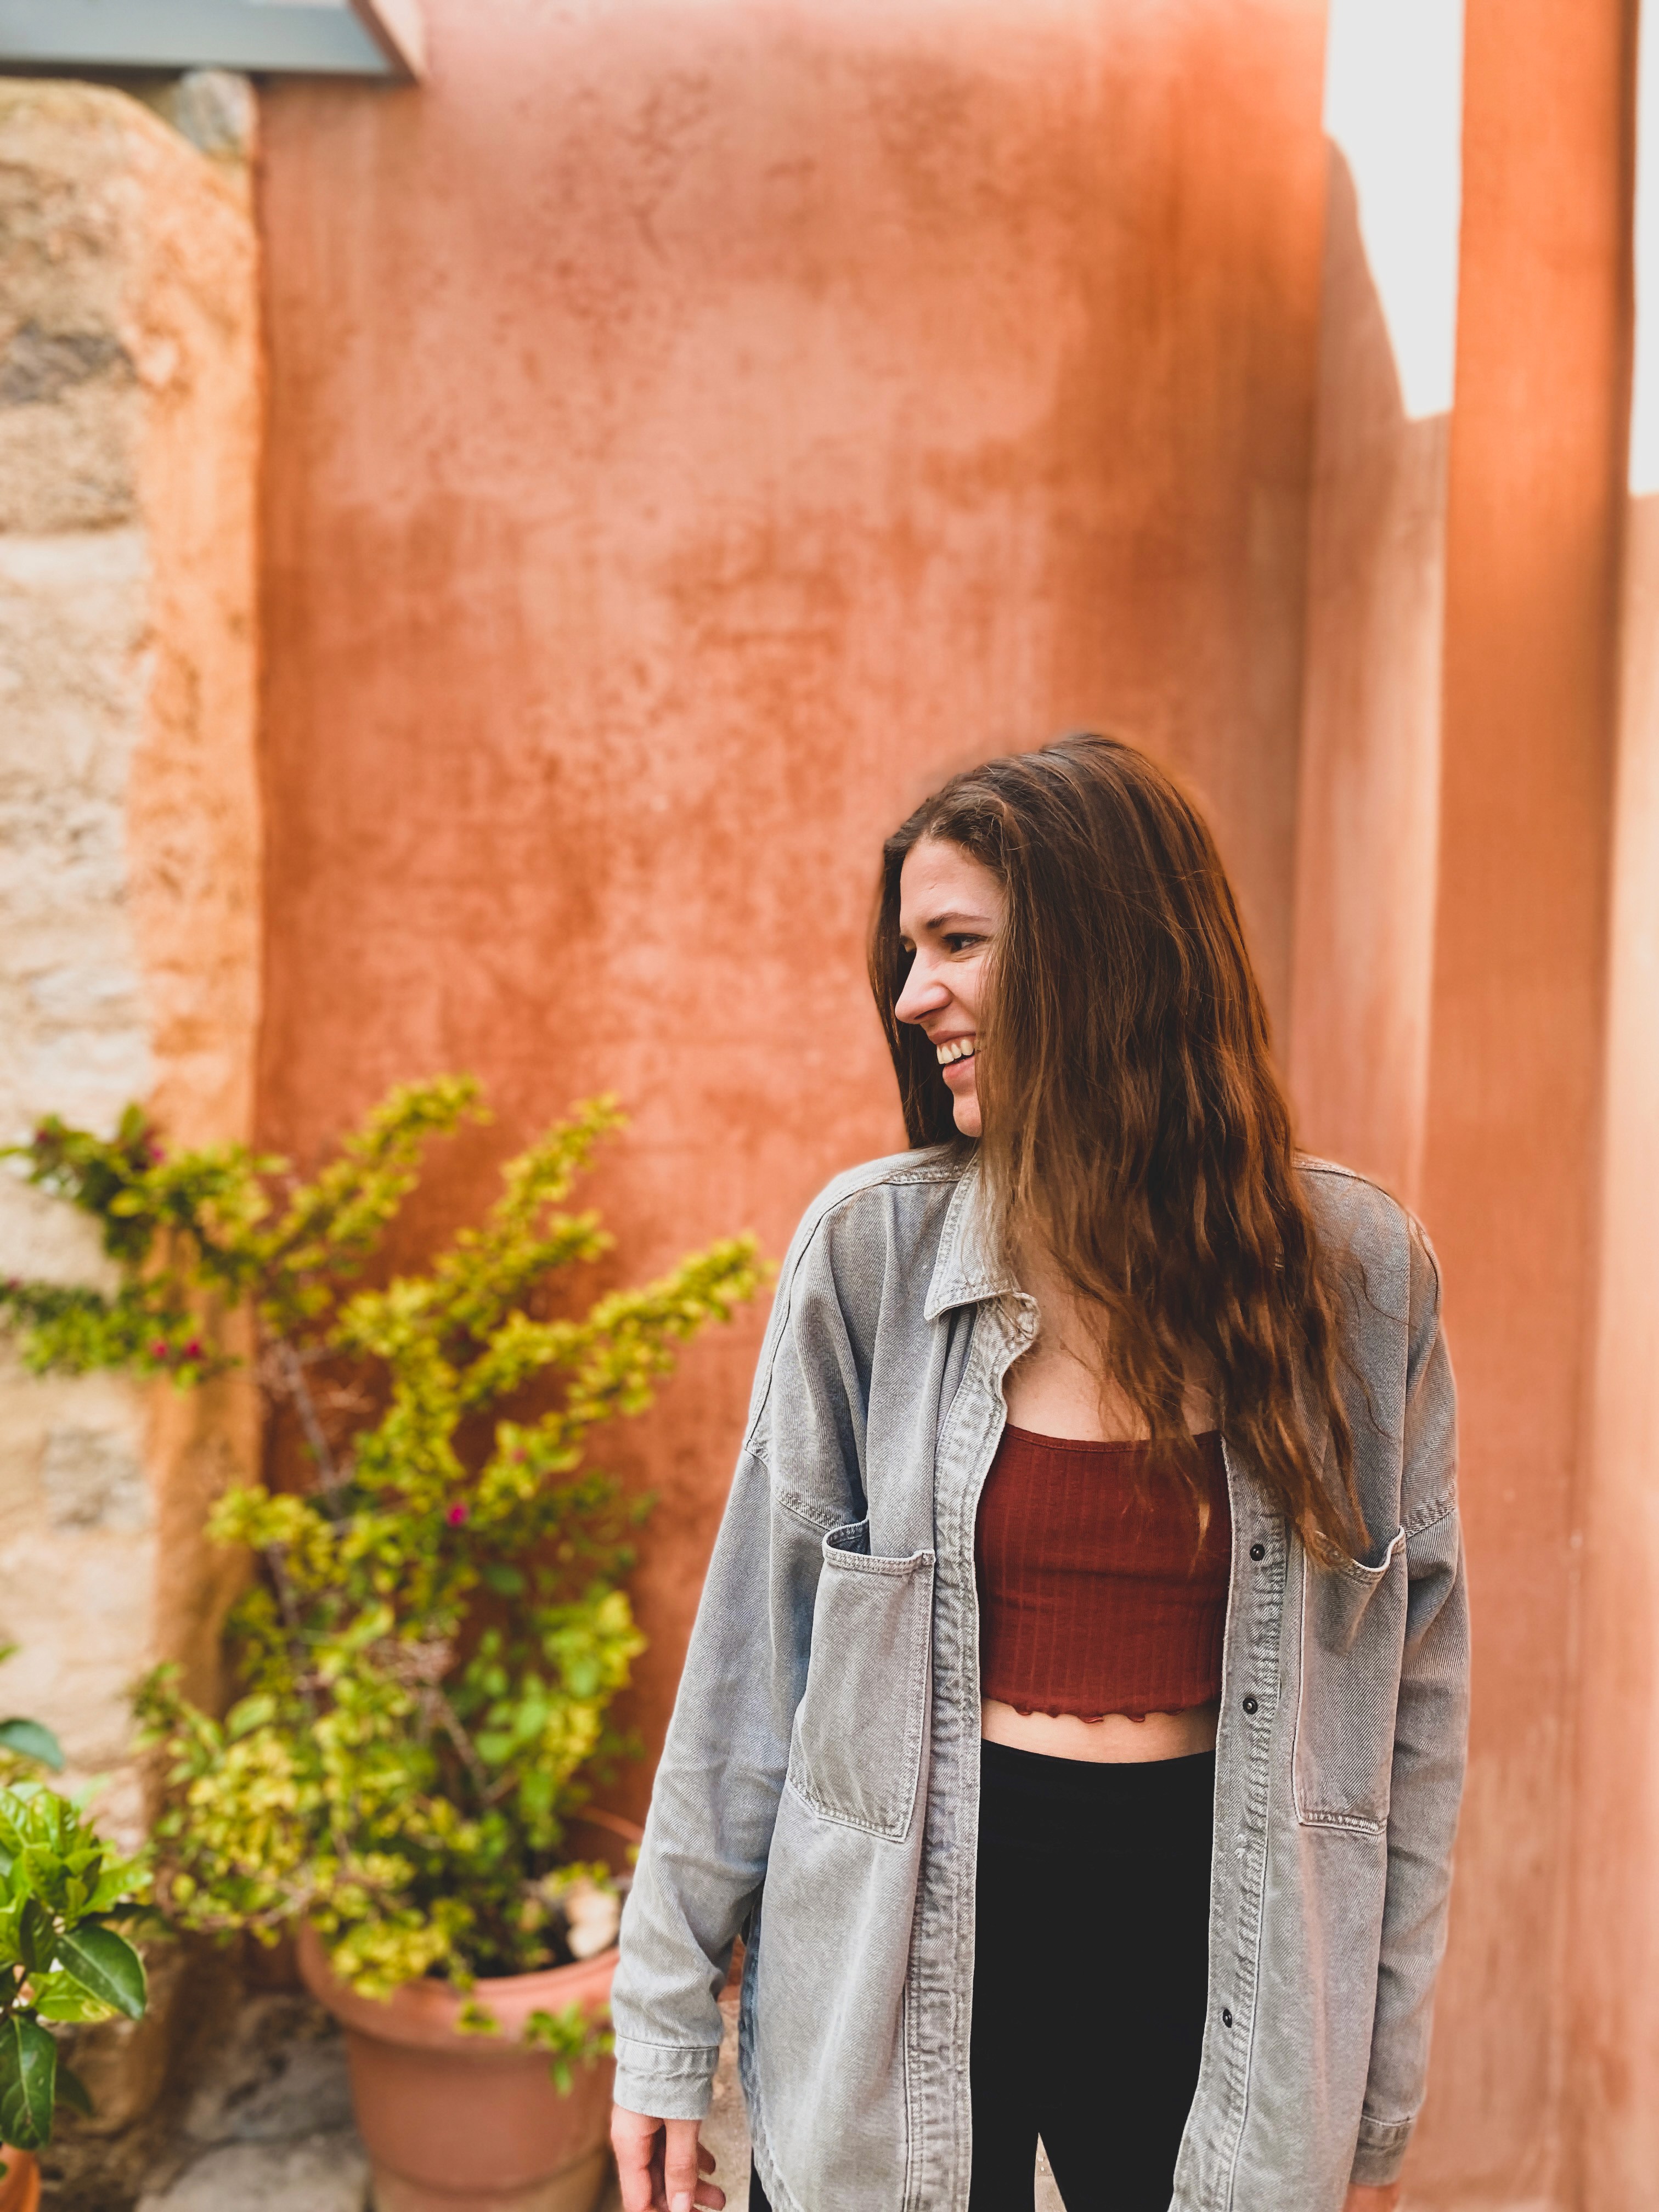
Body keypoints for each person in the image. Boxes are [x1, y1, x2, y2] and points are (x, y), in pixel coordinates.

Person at [608, 735, 1468, 2212]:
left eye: (959, 944)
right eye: (908, 951)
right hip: (902, 1927)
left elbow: (1415, 1727)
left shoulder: (1358, 1279)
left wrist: (1372, 2112)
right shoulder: (869, 1259)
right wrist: (663, 2031)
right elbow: (753, 1662)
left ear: (1105, 960)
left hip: (1220, 1935)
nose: (909, 995)